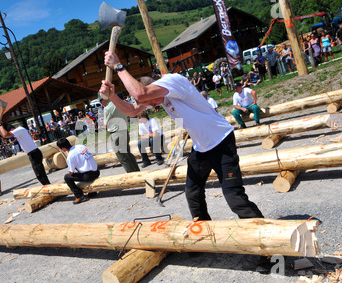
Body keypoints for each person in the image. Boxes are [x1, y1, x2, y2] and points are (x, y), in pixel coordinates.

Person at [99, 51, 264, 224]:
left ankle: (265, 233)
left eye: (151, 101)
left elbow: (140, 94)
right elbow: (132, 110)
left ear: (154, 86)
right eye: (148, 104)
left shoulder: (173, 82)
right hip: (201, 148)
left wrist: (118, 66)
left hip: (221, 141)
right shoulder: (155, 97)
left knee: (234, 198)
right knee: (192, 193)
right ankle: (201, 229)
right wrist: (112, 96)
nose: (152, 105)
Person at [0, 120, 50, 185]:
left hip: (34, 153)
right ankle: (47, 187)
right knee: (39, 175)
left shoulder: (20, 130)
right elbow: (5, 136)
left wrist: (0, 125)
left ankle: (49, 188)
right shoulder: (18, 132)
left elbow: (6, 134)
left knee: (40, 174)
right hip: (32, 154)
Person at [99, 93, 140, 173]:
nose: (101, 103)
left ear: (105, 98)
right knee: (128, 154)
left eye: (101, 100)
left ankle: (131, 174)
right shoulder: (119, 104)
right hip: (124, 131)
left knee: (123, 157)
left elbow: (106, 125)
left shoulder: (107, 108)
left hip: (116, 133)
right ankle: (137, 172)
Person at [57, 138, 100, 205]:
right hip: (97, 171)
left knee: (67, 177)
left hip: (89, 176)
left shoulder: (70, 156)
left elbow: (71, 172)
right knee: (81, 170)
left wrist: (72, 168)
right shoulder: (80, 146)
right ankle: (92, 192)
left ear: (63, 148)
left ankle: (79, 196)